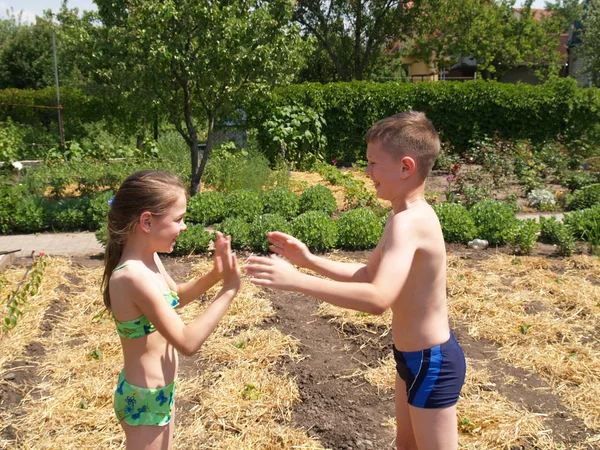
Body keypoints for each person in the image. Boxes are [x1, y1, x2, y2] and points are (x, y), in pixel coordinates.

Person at [243, 111, 466, 450]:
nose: (367, 172)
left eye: (374, 163)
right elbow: (368, 275)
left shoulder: (411, 223)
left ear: (406, 167)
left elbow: (377, 299)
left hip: (431, 361)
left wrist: (296, 280)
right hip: (412, 358)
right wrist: (308, 261)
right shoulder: (400, 217)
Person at [101, 170, 241, 450]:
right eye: (178, 219)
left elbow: (174, 295)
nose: (184, 226)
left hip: (158, 391)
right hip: (145, 398)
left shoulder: (149, 259)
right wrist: (228, 290)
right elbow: (187, 342)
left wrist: (215, 274)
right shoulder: (131, 276)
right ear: (147, 222)